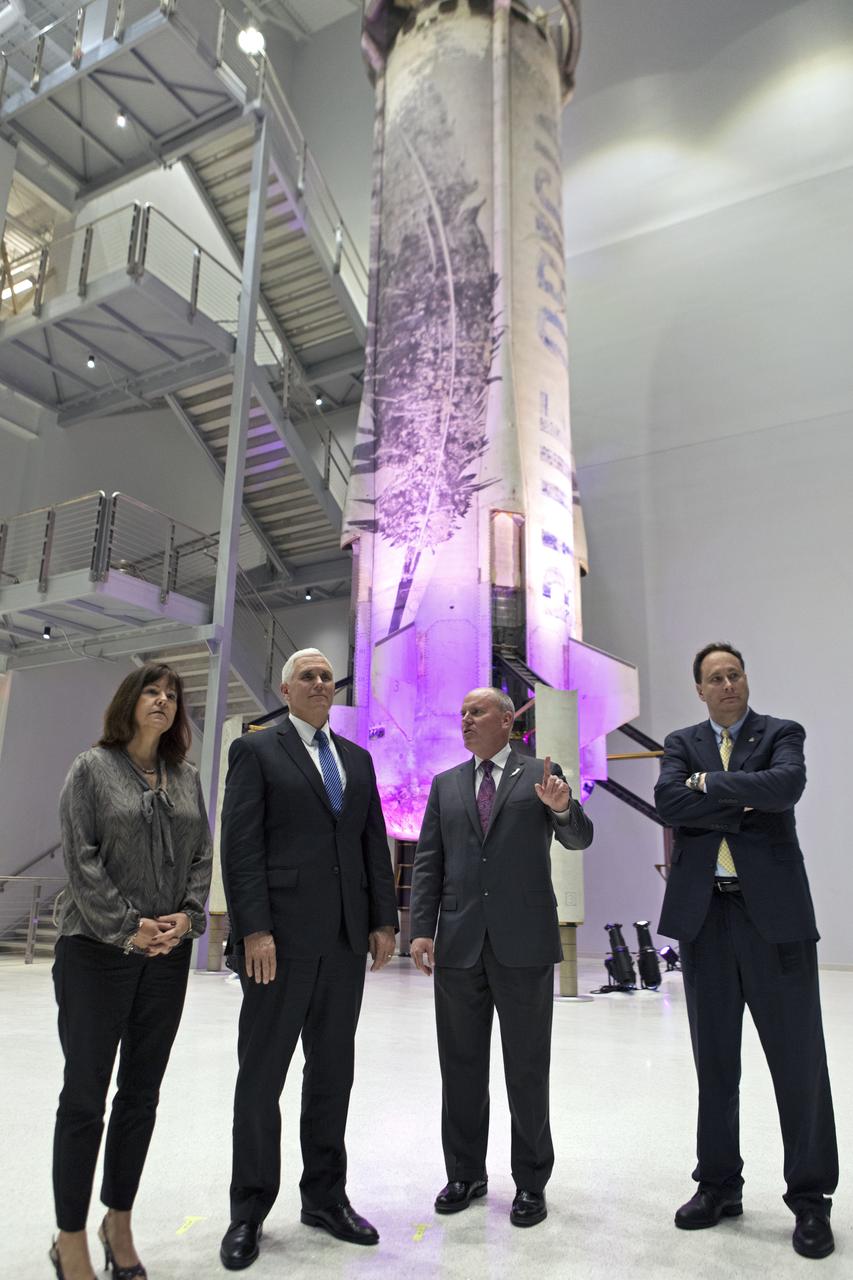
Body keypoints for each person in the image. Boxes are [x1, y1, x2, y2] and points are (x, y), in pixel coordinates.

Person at [654, 642, 838, 1260]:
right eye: (715, 677)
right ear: (699, 690)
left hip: (776, 921)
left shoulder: (782, 731)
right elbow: (669, 802)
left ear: (745, 681)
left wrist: (711, 793)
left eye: (735, 674)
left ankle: (811, 1200)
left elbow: (786, 787)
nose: (728, 683)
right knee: (715, 1064)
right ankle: (718, 1186)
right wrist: (742, 799)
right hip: (706, 920)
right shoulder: (681, 744)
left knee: (799, 1064)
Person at [219, 647, 398, 1270]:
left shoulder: (356, 759)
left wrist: (382, 919)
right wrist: (254, 932)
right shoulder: (256, 750)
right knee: (261, 1077)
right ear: (286, 688)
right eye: (309, 677)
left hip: (345, 944)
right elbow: (239, 847)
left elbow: (373, 842)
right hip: (279, 946)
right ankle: (249, 1210)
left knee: (331, 1075)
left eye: (326, 677)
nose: (321, 684)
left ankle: (324, 1197)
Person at [408, 687, 594, 1227]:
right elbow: (428, 862)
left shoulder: (540, 772)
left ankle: (531, 1181)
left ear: (508, 720)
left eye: (477, 711)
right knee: (461, 1067)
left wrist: (562, 808)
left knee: (527, 1068)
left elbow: (579, 837)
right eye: (461, 712)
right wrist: (422, 929)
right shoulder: (446, 785)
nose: (465, 719)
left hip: (524, 945)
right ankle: (465, 1173)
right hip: (460, 946)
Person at [50, 664, 212, 1280]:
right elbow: (81, 855)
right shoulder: (92, 769)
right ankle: (70, 1237)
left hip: (163, 961)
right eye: (153, 690)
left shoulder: (185, 777)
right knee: (85, 1098)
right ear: (130, 701)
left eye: (173, 695)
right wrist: (127, 925)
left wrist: (186, 919)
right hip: (95, 952)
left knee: (141, 1096)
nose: (164, 701)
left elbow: (201, 853)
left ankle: (118, 1222)